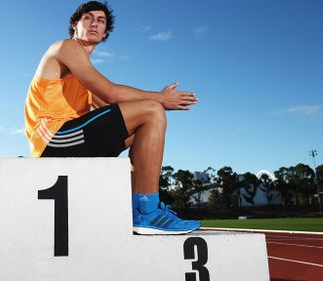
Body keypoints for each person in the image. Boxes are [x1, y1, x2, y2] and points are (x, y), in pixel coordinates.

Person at [24, 1, 200, 234]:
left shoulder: (83, 75)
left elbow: (113, 109)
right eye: (88, 18)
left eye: (100, 20)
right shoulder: (65, 47)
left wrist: (140, 148)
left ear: (105, 32)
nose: (94, 23)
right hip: (52, 139)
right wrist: (160, 98)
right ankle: (147, 214)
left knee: (146, 127)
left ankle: (141, 206)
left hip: (69, 140)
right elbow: (112, 93)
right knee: (152, 111)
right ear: (75, 25)